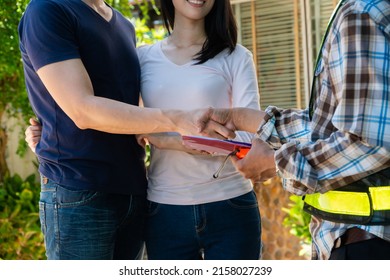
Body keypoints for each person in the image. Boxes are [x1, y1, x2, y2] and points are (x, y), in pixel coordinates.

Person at [25, 0, 262, 260]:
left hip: (141, 195)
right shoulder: (50, 10)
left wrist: (167, 137)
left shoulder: (124, 27)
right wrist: (48, 133)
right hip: (102, 195)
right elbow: (88, 111)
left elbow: (137, 119)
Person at [203, 0, 390, 260]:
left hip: (367, 241)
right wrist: (244, 118)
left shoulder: (361, 12)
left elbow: (372, 142)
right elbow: (332, 126)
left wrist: (276, 163)